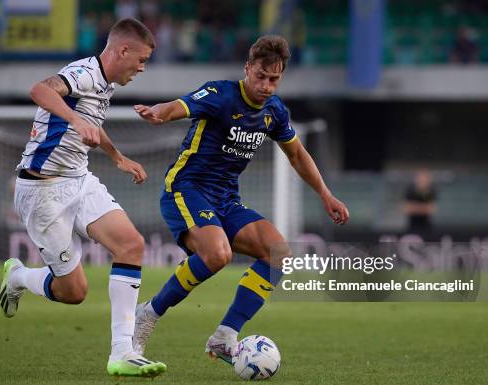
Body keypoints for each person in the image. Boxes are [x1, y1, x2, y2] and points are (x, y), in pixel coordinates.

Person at [132, 35, 349, 364]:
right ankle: (148, 314)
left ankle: (225, 336)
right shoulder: (220, 94)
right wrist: (160, 112)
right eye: (260, 76)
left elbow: (297, 156)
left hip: (226, 199)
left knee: (279, 254)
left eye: (273, 79)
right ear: (247, 69)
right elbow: (181, 105)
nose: (265, 85)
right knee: (219, 254)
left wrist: (325, 194)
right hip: (186, 189)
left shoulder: (275, 111)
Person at [0, 18, 166, 378]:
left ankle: (123, 352)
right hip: (42, 191)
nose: (141, 68)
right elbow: (40, 90)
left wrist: (118, 157)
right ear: (122, 50)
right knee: (74, 292)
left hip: (79, 180)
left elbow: (94, 123)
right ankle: (19, 277)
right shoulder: (83, 73)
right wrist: (74, 119)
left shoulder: (105, 83)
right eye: (141, 60)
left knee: (131, 245)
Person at [403, 169, 437, 236]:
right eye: (420, 178)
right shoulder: (409, 191)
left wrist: (414, 207)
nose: (422, 180)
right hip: (412, 226)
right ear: (416, 179)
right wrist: (424, 207)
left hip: (427, 226)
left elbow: (431, 209)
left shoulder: (431, 192)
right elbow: (406, 209)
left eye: (424, 178)